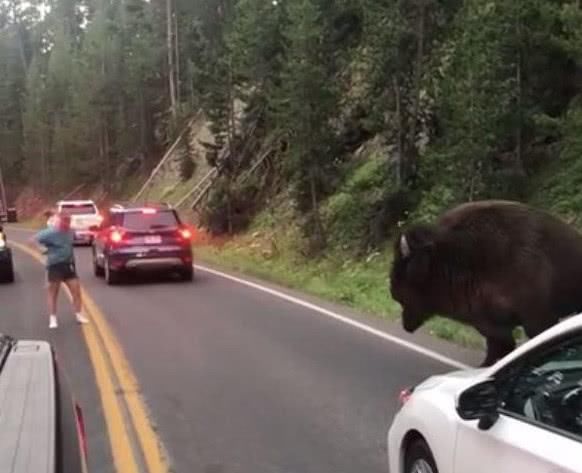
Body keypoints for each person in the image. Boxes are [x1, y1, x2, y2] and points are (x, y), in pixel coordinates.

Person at [30, 213, 89, 329]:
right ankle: (53, 318)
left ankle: (79, 315)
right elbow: (32, 240)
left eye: (69, 221)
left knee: (76, 291)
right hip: (55, 265)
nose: (67, 223)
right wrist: (41, 249)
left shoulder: (70, 232)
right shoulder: (51, 232)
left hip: (68, 265)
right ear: (60, 221)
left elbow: (73, 243)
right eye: (65, 221)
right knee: (53, 293)